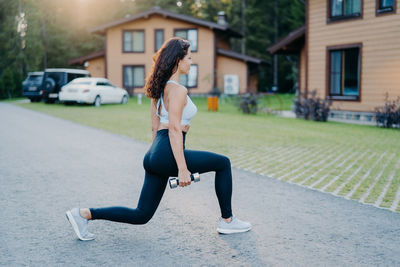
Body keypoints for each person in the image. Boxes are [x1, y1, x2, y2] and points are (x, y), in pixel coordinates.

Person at [65, 37, 251, 241]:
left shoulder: (159, 88)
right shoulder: (178, 90)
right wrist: (181, 168)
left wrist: (160, 158)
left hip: (155, 153)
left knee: (141, 214)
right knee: (223, 163)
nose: (191, 62)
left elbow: (155, 126)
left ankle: (84, 214)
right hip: (165, 151)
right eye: (189, 58)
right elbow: (173, 129)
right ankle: (227, 220)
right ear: (178, 60)